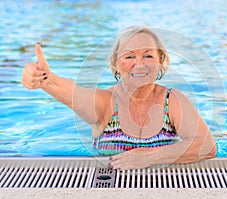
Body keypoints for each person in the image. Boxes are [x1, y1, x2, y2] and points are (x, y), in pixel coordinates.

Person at [22, 26, 216, 170]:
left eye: (148, 56)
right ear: (116, 64)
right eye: (129, 57)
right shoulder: (106, 102)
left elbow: (206, 146)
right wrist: (46, 80)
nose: (139, 65)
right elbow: (74, 93)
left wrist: (148, 157)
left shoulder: (172, 100)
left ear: (161, 61)